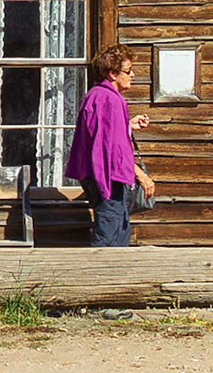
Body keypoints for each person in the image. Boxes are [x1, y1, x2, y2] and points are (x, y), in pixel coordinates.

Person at [64, 44, 154, 247]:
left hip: (104, 176)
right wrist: (141, 176)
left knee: (119, 232)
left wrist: (127, 126)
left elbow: (104, 135)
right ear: (113, 74)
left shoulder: (100, 96)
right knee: (108, 237)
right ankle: (98, 277)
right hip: (107, 178)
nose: (133, 75)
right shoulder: (108, 99)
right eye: (128, 70)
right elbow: (111, 150)